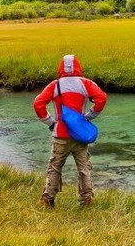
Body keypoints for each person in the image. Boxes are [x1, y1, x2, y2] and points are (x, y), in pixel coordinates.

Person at [32, 53, 107, 207]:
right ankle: (86, 199)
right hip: (79, 134)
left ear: (61, 68)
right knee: (84, 168)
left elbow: (38, 104)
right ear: (78, 67)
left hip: (60, 134)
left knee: (54, 167)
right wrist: (88, 117)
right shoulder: (85, 83)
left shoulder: (55, 85)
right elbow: (102, 98)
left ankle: (48, 199)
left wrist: (50, 122)